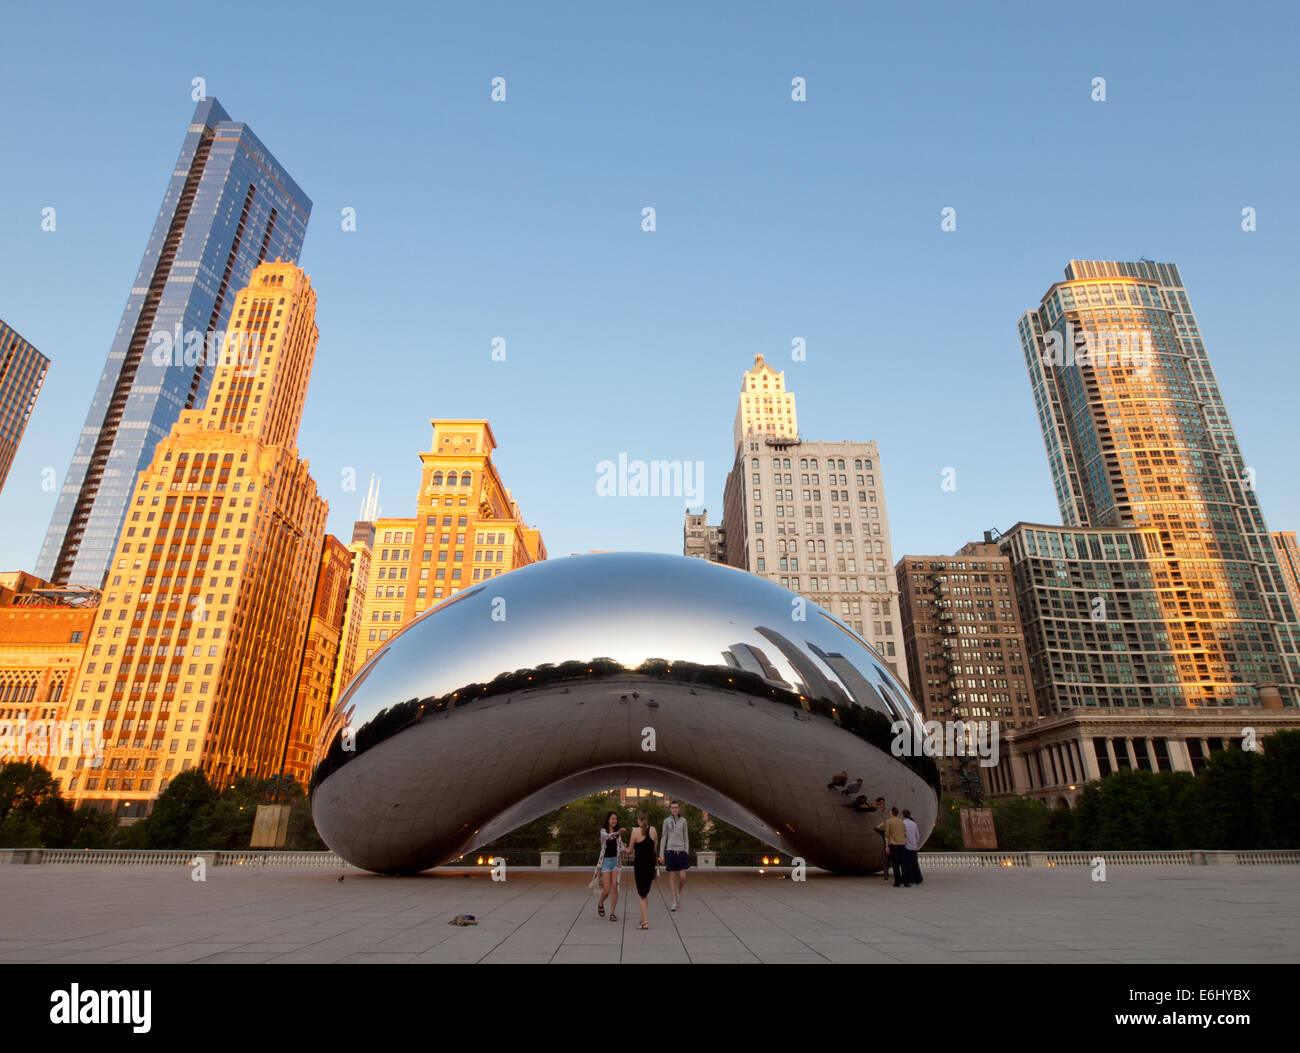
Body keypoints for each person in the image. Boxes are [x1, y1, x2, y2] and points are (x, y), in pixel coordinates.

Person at [628, 810, 659, 929]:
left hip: (640, 866)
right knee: (645, 893)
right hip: (650, 865)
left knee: (641, 895)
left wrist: (622, 849)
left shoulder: (635, 832)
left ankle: (645, 922)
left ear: (638, 819)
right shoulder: (653, 830)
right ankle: (642, 919)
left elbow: (630, 850)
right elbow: (654, 847)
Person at [595, 811, 627, 921]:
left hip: (615, 863)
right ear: (608, 820)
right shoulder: (603, 831)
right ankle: (600, 902)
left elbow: (621, 848)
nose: (615, 821)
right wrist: (618, 832)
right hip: (606, 863)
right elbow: (608, 837)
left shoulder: (618, 836)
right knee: (607, 889)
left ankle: (612, 913)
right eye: (612, 819)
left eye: (616, 819)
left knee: (615, 887)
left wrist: (629, 849)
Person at [659, 800, 690, 911]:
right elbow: (663, 838)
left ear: (678, 809)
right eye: (672, 808)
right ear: (670, 809)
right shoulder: (666, 821)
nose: (674, 809)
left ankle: (678, 893)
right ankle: (673, 901)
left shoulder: (683, 821)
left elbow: (686, 837)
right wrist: (661, 855)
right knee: (672, 877)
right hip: (670, 851)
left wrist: (686, 851)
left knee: (683, 877)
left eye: (676, 807)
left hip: (681, 852)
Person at [883, 807, 909, 887]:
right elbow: (905, 833)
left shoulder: (888, 821)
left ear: (891, 812)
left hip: (894, 844)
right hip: (902, 844)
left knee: (895, 864)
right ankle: (906, 881)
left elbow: (887, 834)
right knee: (903, 864)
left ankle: (897, 881)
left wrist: (887, 846)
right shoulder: (901, 821)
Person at [872, 798, 891, 884]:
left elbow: (875, 829)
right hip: (895, 848)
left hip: (887, 849)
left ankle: (886, 879)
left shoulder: (884, 832)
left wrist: (880, 825)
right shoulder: (892, 832)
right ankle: (901, 878)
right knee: (896, 863)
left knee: (886, 864)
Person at [902, 809, 923, 886]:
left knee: (908, 864)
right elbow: (917, 836)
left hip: (906, 846)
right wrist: (916, 843)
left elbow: (902, 835)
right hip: (914, 846)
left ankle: (910, 880)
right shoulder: (914, 824)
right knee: (915, 864)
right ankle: (918, 879)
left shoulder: (903, 823)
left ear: (903, 815)